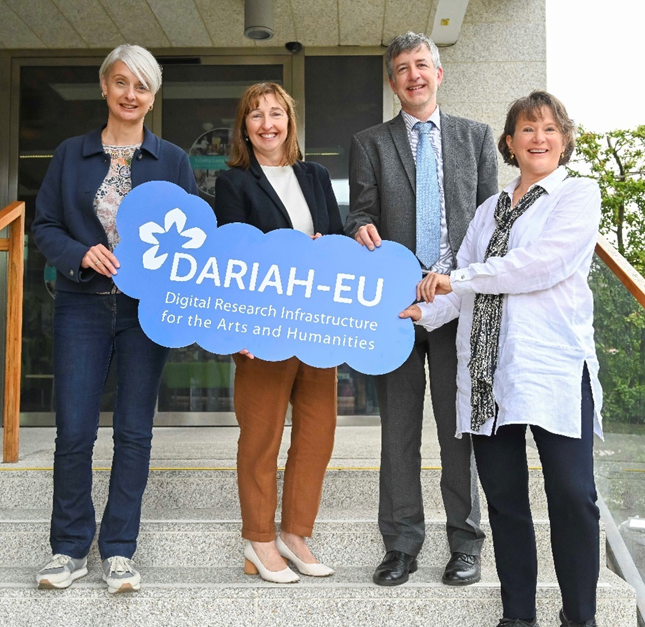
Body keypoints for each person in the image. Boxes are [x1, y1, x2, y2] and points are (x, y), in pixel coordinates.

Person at [401, 91, 603, 627]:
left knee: (573, 496)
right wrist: (419, 314)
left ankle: (580, 617)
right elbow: (457, 286)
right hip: (487, 371)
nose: (539, 138)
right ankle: (518, 616)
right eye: (527, 129)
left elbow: (540, 264)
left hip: (553, 367)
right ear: (509, 143)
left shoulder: (578, 196)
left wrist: (457, 279)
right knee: (506, 503)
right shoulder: (489, 209)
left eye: (550, 129)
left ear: (564, 140)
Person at [30, 44, 199, 594]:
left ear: (153, 96)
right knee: (74, 430)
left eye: (142, 86)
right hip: (81, 302)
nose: (131, 95)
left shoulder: (172, 159)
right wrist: (80, 252)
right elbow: (45, 226)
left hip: (145, 310)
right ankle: (69, 548)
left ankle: (120, 549)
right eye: (122, 83)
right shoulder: (70, 154)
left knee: (134, 432)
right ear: (105, 87)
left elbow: (195, 238)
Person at [345, 31, 497, 587]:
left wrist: (459, 280)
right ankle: (402, 545)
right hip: (397, 309)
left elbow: (489, 227)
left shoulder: (476, 138)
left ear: (438, 73)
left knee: (459, 431)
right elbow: (358, 212)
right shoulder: (370, 142)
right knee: (399, 432)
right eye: (402, 68)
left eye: (422, 65)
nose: (413, 75)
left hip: (457, 304)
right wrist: (358, 227)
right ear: (392, 82)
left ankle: (465, 544)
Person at [214, 82, 344, 584]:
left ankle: (294, 534)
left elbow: (334, 241)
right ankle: (259, 539)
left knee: (317, 433)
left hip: (315, 324)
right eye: (256, 116)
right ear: (243, 127)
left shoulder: (314, 174)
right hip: (261, 328)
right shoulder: (234, 183)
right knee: (262, 435)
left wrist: (321, 244)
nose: (267, 124)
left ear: (289, 120)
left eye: (276, 114)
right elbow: (232, 258)